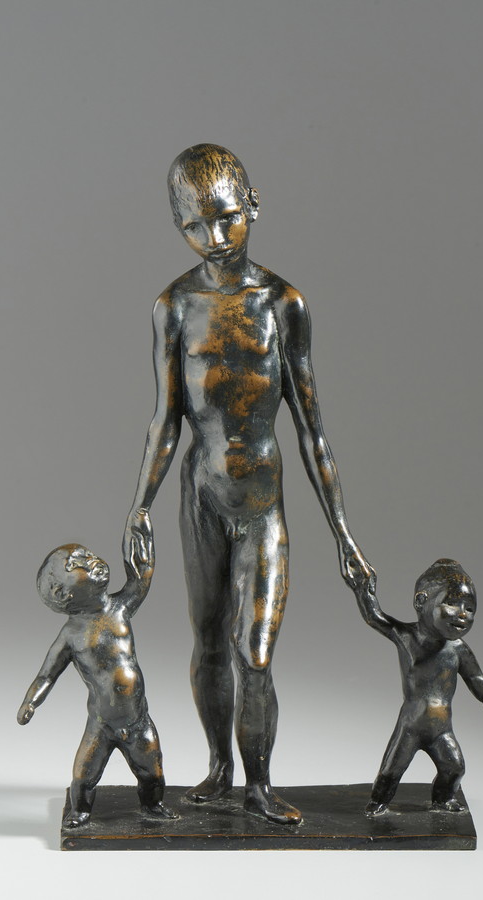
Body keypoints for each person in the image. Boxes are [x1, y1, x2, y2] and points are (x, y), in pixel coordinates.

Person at [123, 144, 374, 824]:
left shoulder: (283, 304)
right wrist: (139, 507)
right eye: (194, 225)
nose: (214, 236)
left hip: (261, 501)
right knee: (208, 642)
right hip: (199, 498)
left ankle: (259, 786)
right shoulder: (174, 306)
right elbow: (165, 420)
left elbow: (313, 430)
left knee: (252, 653)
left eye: (227, 217)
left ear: (253, 205)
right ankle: (218, 770)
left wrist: (343, 534)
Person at [17, 513, 177, 827]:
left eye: (87, 553)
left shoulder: (120, 607)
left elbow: (142, 575)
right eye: (77, 563)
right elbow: (47, 675)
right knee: (84, 775)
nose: (90, 559)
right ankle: (80, 811)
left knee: (153, 772)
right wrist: (31, 702)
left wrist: (141, 535)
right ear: (63, 594)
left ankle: (153, 806)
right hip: (101, 725)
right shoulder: (71, 634)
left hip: (138, 720)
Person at [354, 559, 483, 816]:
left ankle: (442, 800)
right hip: (411, 726)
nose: (463, 614)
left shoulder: (458, 649)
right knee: (391, 770)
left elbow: (475, 678)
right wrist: (363, 590)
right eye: (452, 603)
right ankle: (378, 803)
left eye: (470, 608)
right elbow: (374, 617)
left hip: (441, 730)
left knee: (455, 768)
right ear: (421, 601)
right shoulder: (407, 637)